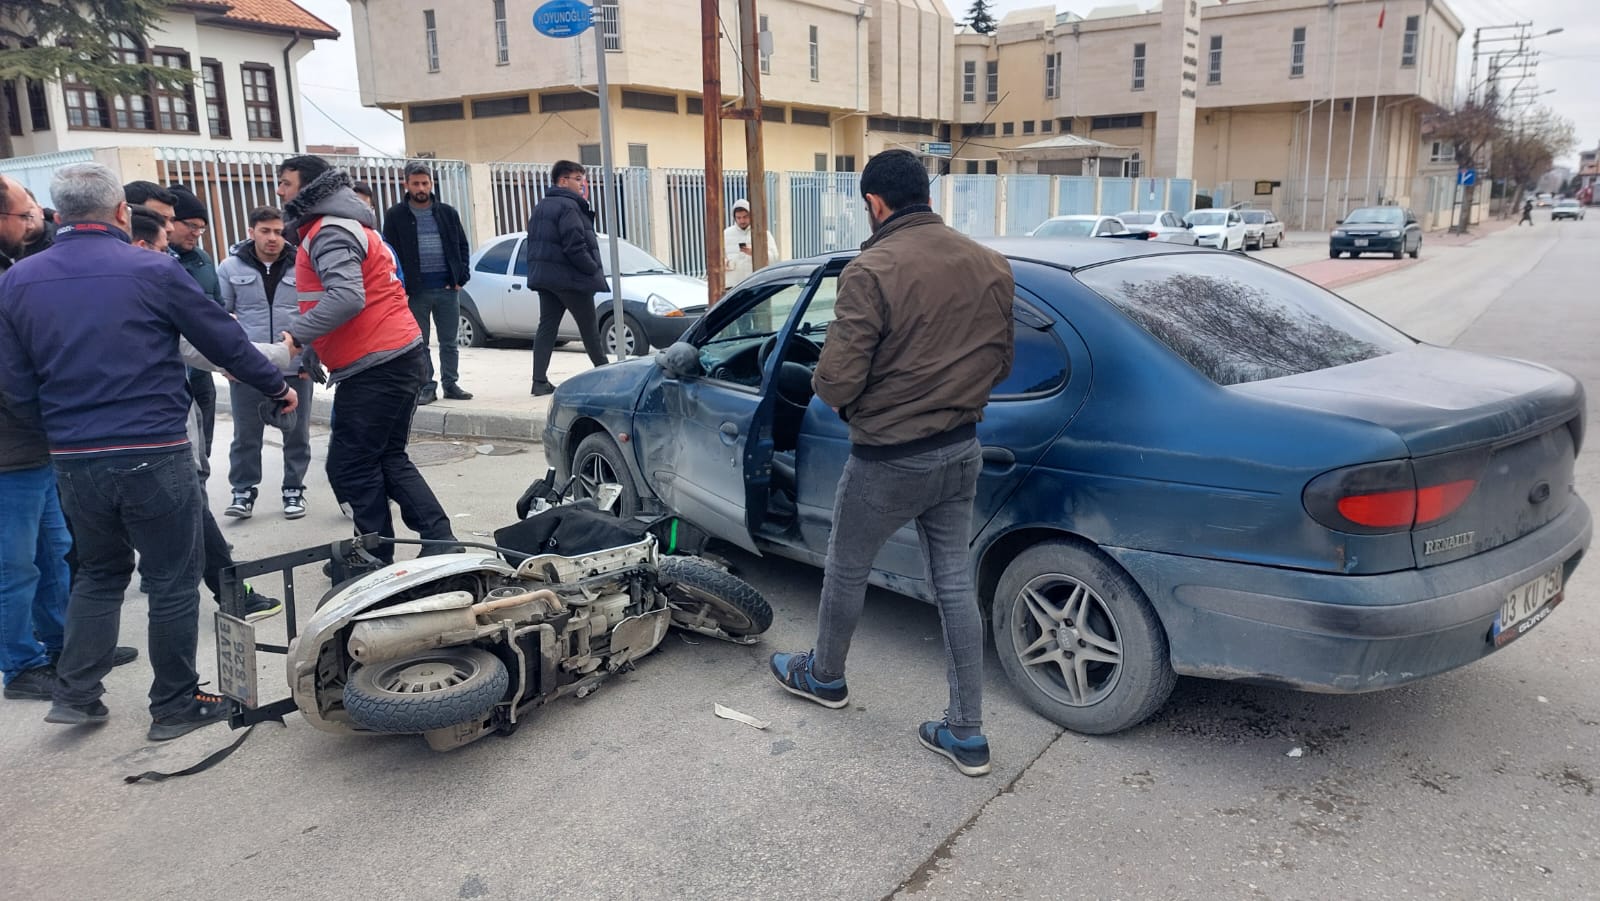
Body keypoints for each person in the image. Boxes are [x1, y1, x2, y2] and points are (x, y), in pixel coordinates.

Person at [0, 163, 297, 740]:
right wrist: (276, 386)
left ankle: (76, 693)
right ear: (120, 212)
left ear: (59, 213)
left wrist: (59, 431)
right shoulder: (153, 270)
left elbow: (13, 384)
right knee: (172, 579)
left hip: (74, 457)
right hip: (152, 447)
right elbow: (223, 340)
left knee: (99, 572)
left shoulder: (18, 281)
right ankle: (175, 704)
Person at [767, 150, 1015, 778]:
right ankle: (966, 733)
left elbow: (835, 382)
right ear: (925, 195)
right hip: (961, 449)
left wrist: (853, 395)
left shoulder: (870, 270)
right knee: (954, 584)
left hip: (888, 459)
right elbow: (1002, 364)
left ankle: (825, 677)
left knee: (846, 568)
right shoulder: (990, 263)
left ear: (875, 204)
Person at [275, 155, 458, 567]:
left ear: (309, 187)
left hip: (377, 363)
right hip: (394, 355)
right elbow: (341, 296)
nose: (280, 192)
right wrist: (316, 344)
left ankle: (375, 556)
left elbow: (346, 297)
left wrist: (298, 336)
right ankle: (438, 540)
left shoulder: (329, 230)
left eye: (286, 183)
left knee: (351, 465)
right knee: (386, 456)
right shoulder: (342, 224)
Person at [127, 206, 285, 622]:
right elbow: (208, 342)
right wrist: (279, 367)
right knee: (188, 514)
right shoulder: (151, 281)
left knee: (98, 569)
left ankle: (68, 651)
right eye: (163, 241)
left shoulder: (48, 281)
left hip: (81, 445)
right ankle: (230, 598)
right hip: (154, 433)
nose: (170, 252)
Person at [217, 206, 314, 521]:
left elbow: (315, 313)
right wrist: (227, 363)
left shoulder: (303, 265)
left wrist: (310, 357)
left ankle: (293, 490)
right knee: (246, 435)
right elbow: (220, 319)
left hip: (295, 365)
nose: (273, 238)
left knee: (296, 434)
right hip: (248, 367)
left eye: (278, 231)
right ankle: (243, 492)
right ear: (251, 232)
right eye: (265, 231)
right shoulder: (230, 267)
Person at [382, 163, 473, 404]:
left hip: (447, 289)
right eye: (416, 184)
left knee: (449, 342)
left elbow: (462, 246)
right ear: (406, 185)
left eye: (425, 183)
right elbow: (388, 253)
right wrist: (400, 287)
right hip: (416, 292)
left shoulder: (447, 213)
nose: (421, 188)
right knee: (420, 343)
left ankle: (451, 384)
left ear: (431, 184)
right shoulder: (395, 216)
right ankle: (426, 386)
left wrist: (461, 277)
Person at [525, 160, 610, 396]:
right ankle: (607, 377)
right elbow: (575, 244)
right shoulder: (569, 206)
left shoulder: (541, 206)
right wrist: (591, 267)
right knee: (590, 330)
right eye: (578, 179)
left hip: (547, 279)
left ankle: (539, 381)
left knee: (547, 327)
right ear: (563, 181)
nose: (582, 184)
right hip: (570, 278)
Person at [167, 185, 225, 466]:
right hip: (172, 373)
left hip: (201, 372)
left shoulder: (203, 261)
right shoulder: (155, 260)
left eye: (201, 228)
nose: (196, 233)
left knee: (203, 448)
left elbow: (218, 306)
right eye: (191, 225)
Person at [723, 198, 779, 288]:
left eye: (745, 217)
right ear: (734, 218)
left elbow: (774, 258)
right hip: (733, 286)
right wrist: (724, 263)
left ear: (751, 216)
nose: (742, 221)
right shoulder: (726, 234)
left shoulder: (763, 234)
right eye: (738, 218)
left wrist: (755, 252)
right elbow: (718, 257)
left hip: (756, 284)